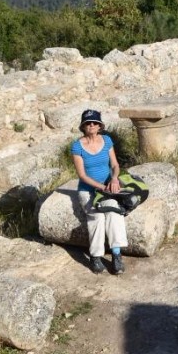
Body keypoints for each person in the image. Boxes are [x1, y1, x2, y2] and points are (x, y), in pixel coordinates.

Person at [71, 109, 127, 275]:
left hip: (107, 188)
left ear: (100, 125)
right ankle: (95, 257)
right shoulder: (77, 146)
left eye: (95, 123)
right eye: (88, 123)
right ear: (83, 126)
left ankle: (117, 255)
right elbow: (81, 175)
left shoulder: (107, 141)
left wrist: (114, 179)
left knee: (114, 213)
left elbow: (115, 165)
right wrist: (101, 187)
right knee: (96, 217)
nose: (92, 125)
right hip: (88, 190)